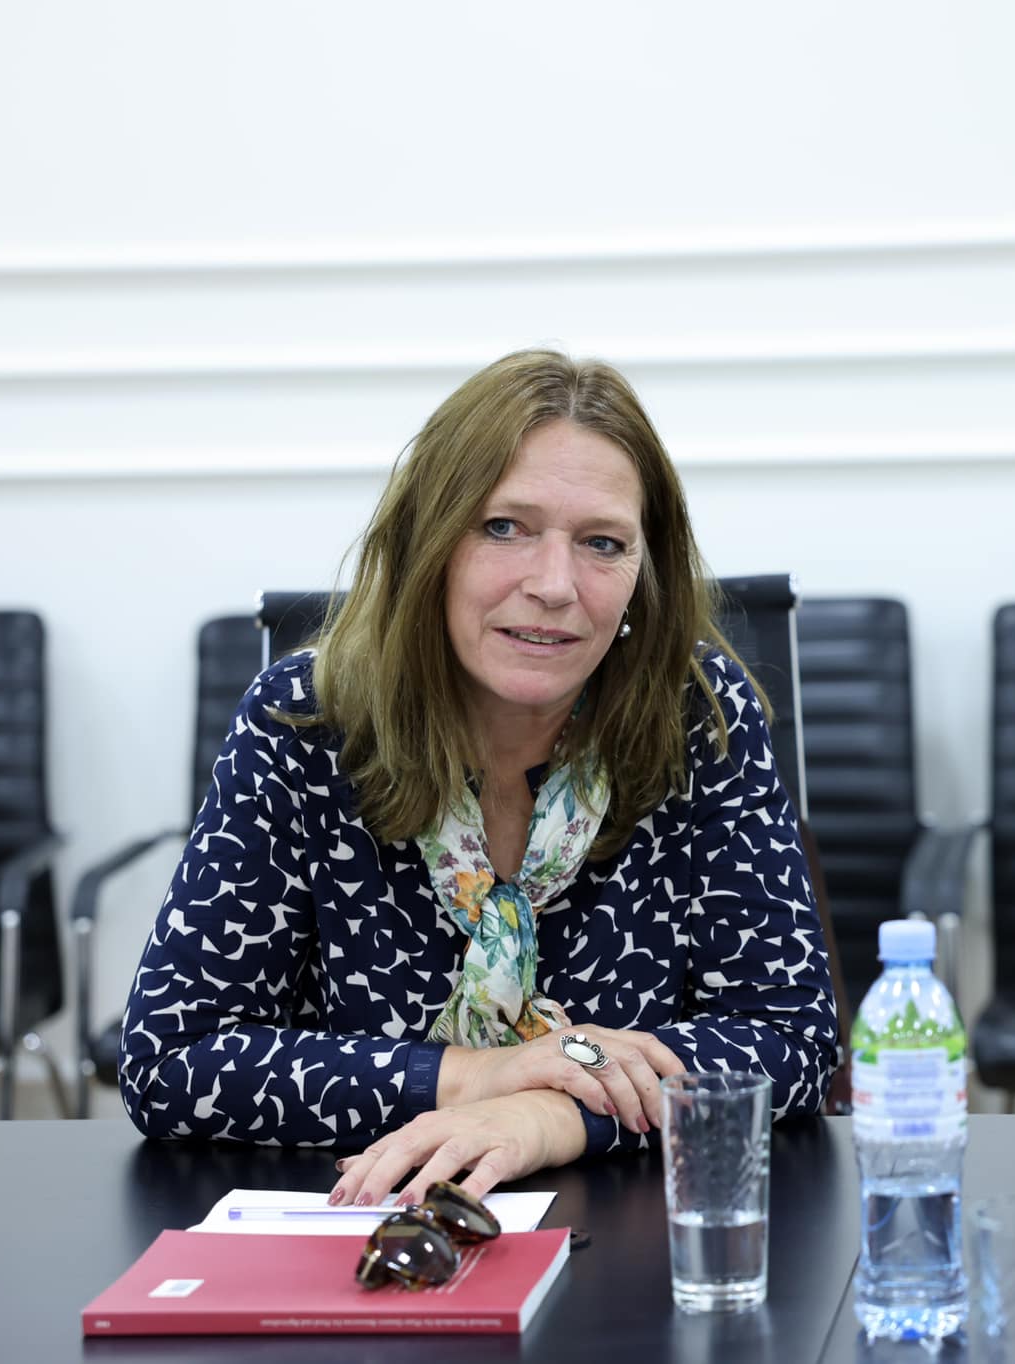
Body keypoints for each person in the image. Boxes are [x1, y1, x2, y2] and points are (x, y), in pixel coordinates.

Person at [119, 350, 839, 1202]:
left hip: (636, 1229)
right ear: (428, 543)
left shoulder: (694, 716)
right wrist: (476, 1077)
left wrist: (549, 1115)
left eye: (602, 543)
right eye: (504, 528)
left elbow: (790, 1039)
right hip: (366, 1221)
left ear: (642, 575)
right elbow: (172, 1060)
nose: (553, 585)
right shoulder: (305, 721)